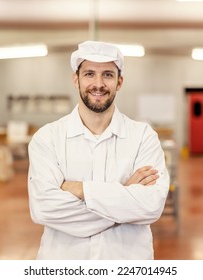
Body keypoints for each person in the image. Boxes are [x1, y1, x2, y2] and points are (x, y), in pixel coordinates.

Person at [27, 41, 170, 260]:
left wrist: (82, 190)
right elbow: (44, 208)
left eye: (108, 75)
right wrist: (124, 194)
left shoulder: (143, 137)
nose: (98, 84)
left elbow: (150, 206)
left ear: (119, 82)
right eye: (90, 74)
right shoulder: (47, 138)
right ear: (76, 80)